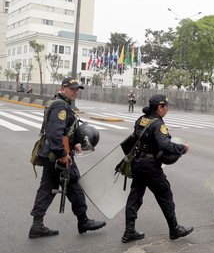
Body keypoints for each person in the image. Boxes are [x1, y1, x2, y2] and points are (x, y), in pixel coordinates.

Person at [29, 77, 106, 238]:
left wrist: (72, 144)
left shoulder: (57, 102)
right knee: (74, 186)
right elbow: (54, 134)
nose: (75, 91)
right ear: (62, 88)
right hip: (58, 156)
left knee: (46, 188)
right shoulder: (60, 106)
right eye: (72, 88)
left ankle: (37, 225)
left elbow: (63, 131)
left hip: (52, 154)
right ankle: (83, 221)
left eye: (77, 89)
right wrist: (63, 154)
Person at [122, 94, 193, 243]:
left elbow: (135, 138)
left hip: (137, 163)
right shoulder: (157, 123)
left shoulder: (141, 119)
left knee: (135, 196)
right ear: (160, 107)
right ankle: (174, 229)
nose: (167, 109)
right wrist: (182, 148)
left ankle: (129, 231)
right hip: (150, 167)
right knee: (165, 194)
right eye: (166, 106)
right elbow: (165, 144)